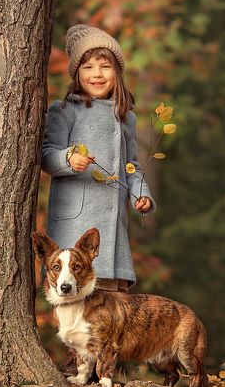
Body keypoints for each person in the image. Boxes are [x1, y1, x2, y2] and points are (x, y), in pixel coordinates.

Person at [41, 24, 154, 292]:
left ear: (117, 72)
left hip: (111, 227)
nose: (97, 74)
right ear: (76, 73)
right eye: (88, 67)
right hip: (75, 224)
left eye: (104, 66)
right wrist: (68, 160)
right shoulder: (65, 110)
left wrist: (141, 194)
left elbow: (132, 167)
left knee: (110, 302)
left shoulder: (125, 117)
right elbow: (46, 156)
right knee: (73, 297)